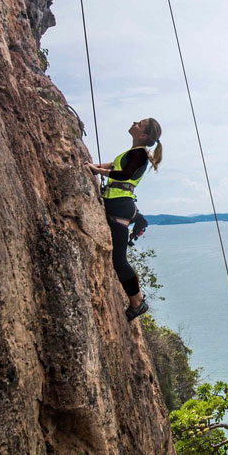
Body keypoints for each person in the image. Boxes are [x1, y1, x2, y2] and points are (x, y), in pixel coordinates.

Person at [86, 118, 162, 321]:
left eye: (139, 123)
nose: (134, 122)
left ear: (144, 135)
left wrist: (97, 171)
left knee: (119, 259)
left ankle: (137, 302)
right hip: (119, 206)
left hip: (120, 207)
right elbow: (114, 165)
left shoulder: (139, 154)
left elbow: (124, 174)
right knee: (118, 258)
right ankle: (137, 301)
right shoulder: (131, 153)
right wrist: (95, 166)